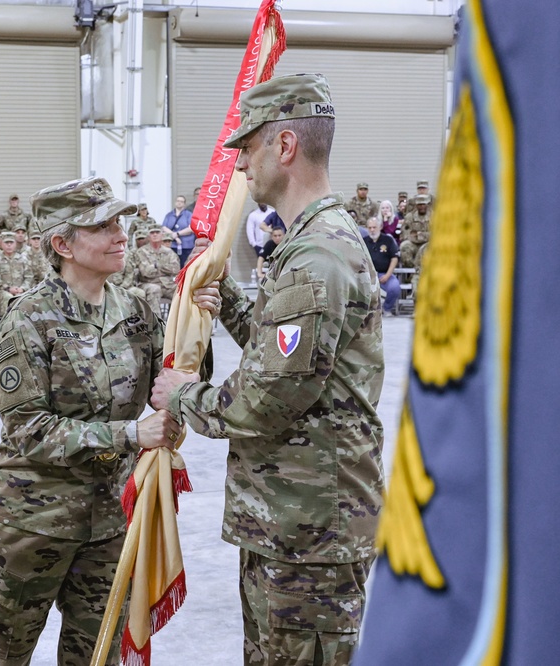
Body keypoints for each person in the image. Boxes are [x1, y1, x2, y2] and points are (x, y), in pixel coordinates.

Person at [150, 73, 384, 666]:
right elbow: (279, 352)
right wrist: (222, 295)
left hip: (310, 531)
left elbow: (263, 399)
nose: (240, 166)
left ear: (284, 147)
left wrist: (183, 396)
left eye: (248, 148)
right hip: (289, 521)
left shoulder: (318, 255)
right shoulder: (309, 244)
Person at [0, 176, 219, 666]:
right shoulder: (28, 318)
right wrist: (129, 434)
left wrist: (198, 324)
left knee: (96, 657)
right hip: (30, 525)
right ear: (63, 244)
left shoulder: (136, 309)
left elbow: (176, 379)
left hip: (106, 522)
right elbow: (27, 429)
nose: (122, 234)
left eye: (121, 222)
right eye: (102, 226)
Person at [136, 225, 180, 315]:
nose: (155, 235)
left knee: (181, 289)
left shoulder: (169, 252)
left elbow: (176, 269)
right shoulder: (142, 252)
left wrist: (156, 265)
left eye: (157, 232)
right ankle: (156, 325)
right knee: (154, 289)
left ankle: (176, 322)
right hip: (148, 283)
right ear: (148, 236)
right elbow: (145, 272)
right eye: (152, 233)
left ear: (162, 235)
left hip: (167, 284)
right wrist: (165, 267)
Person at [0, 230, 33, 316]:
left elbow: (29, 277)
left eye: (11, 242)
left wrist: (22, 288)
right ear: (1, 244)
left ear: (15, 244)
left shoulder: (23, 259)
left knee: (25, 297)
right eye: (6, 243)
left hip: (20, 290)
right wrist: (8, 288)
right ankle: (6, 324)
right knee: (8, 297)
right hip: (2, 291)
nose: (9, 245)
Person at [365, 217, 401, 315]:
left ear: (380, 227)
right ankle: (367, 311)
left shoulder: (388, 240)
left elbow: (394, 258)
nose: (372, 230)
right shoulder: (363, 241)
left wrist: (388, 275)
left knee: (395, 287)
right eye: (370, 228)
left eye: (374, 227)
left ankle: (386, 309)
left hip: (384, 274)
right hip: (367, 275)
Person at [399, 193, 432, 268]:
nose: (422, 207)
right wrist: (417, 237)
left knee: (426, 248)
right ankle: (413, 271)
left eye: (423, 204)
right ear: (416, 206)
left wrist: (419, 235)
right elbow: (404, 234)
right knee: (404, 246)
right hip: (413, 244)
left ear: (427, 205)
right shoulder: (410, 217)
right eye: (419, 205)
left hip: (428, 244)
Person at [162, 195, 195, 268]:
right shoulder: (169, 215)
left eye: (181, 201)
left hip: (186, 246)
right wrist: (174, 236)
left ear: (184, 204)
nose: (179, 203)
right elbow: (164, 227)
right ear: (175, 202)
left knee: (185, 266)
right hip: (172, 245)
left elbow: (191, 228)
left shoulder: (189, 214)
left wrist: (178, 233)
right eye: (178, 201)